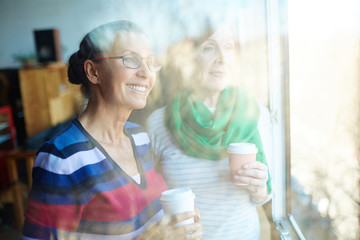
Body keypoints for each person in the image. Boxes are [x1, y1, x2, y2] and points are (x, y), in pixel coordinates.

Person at [22, 20, 202, 240]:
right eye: (131, 59)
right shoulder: (62, 158)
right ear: (93, 72)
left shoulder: (140, 137)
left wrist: (179, 228)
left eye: (150, 62)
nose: (146, 72)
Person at [147, 22, 273, 240]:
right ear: (189, 58)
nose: (222, 58)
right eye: (209, 48)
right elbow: (148, 201)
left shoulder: (257, 113)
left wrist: (261, 188)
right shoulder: (158, 123)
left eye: (229, 47)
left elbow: (265, 196)